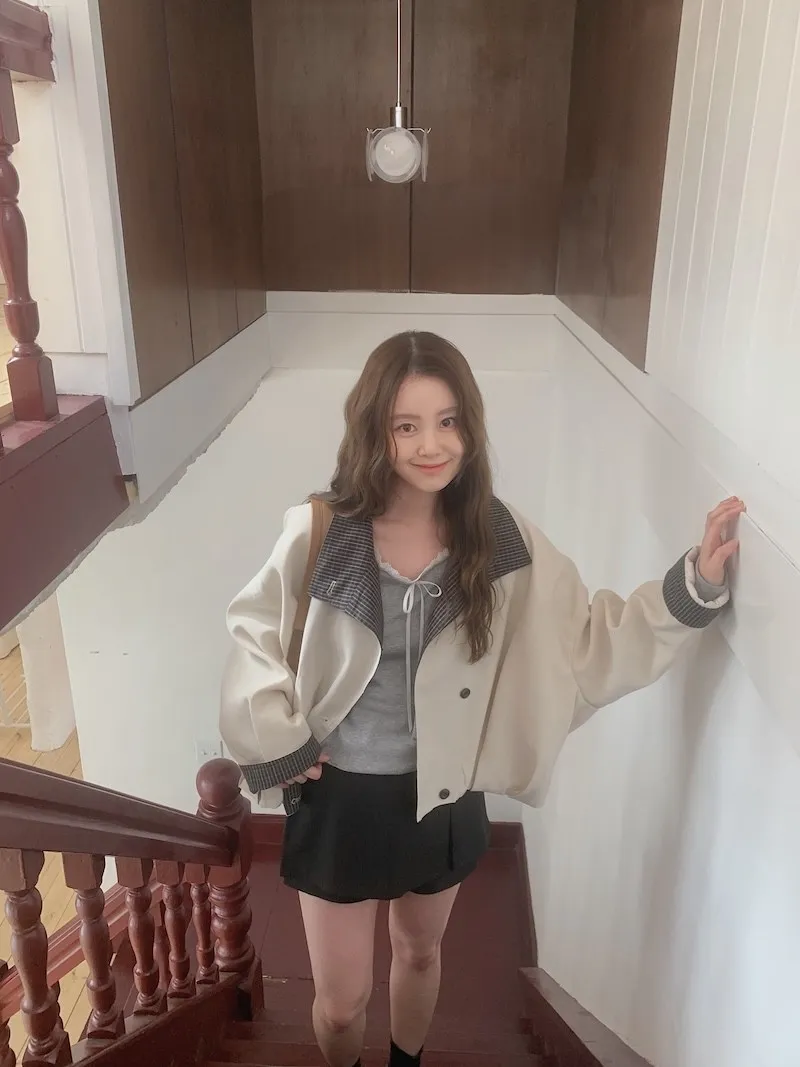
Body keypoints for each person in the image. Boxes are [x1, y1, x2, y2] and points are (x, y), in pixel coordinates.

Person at [220, 331, 743, 1067]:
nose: (431, 445)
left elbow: (588, 637)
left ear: (469, 424)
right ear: (373, 430)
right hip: (341, 798)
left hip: (445, 791)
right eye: (406, 425)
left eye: (448, 420)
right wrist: (280, 742)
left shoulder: (500, 539)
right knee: (340, 1004)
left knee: (420, 952)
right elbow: (254, 633)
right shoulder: (322, 531)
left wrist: (692, 589)